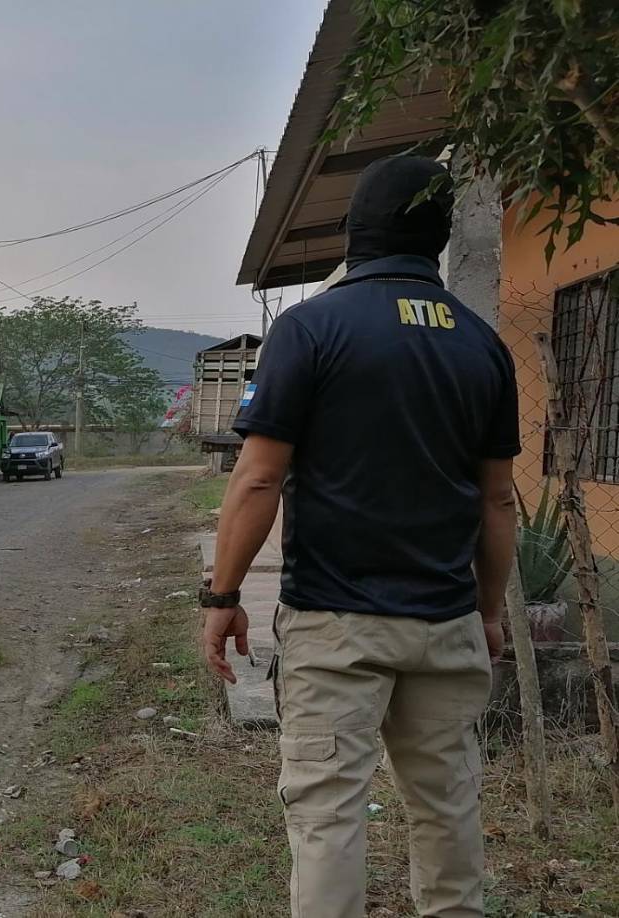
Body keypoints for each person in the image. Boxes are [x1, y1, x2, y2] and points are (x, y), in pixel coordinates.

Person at [202, 155, 519, 918]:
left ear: (356, 231)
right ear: (437, 237)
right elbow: (497, 498)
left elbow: (255, 479)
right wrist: (487, 610)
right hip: (443, 623)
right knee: (446, 808)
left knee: (327, 815)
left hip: (335, 623)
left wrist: (221, 594)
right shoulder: (481, 345)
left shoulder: (311, 330)